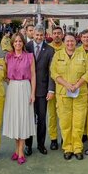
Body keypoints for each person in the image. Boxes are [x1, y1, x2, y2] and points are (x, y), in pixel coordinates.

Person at [50, 33, 88, 160]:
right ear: (64, 41)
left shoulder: (82, 54)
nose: (70, 43)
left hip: (80, 93)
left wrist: (78, 84)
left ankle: (78, 148)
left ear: (76, 41)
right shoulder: (58, 55)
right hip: (63, 94)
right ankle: (67, 147)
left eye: (72, 41)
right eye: (67, 41)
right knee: (65, 122)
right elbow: (53, 72)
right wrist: (67, 84)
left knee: (79, 122)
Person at [3, 33, 36, 164]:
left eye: (20, 41)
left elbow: (33, 75)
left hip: (25, 87)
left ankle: (21, 151)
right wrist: (9, 82)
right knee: (15, 119)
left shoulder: (29, 56)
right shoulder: (8, 57)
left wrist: (33, 93)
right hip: (12, 89)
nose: (17, 43)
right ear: (12, 43)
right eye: (15, 41)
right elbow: (4, 74)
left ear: (23, 43)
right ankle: (16, 150)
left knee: (23, 118)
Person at [24, 25, 55, 156]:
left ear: (44, 35)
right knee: (29, 119)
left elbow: (51, 71)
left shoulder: (50, 50)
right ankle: (28, 145)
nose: (38, 37)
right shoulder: (26, 47)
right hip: (27, 90)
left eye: (41, 35)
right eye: (36, 35)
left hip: (42, 91)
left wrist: (51, 90)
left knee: (41, 119)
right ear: (33, 34)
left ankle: (41, 145)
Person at [47, 26, 64, 149]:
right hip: (51, 86)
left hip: (64, 86)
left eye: (59, 33)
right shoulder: (47, 48)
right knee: (52, 115)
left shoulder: (68, 47)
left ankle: (65, 137)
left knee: (64, 115)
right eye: (55, 33)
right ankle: (53, 139)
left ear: (62, 35)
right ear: (51, 35)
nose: (57, 35)